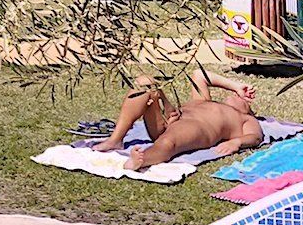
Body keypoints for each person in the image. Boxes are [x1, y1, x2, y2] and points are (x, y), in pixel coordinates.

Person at [94, 67, 263, 170]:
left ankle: (144, 159)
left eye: (246, 101)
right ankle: (116, 139)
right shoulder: (203, 100)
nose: (241, 97)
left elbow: (255, 137)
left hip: (196, 128)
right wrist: (236, 86)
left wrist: (237, 143)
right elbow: (199, 74)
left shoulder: (243, 118)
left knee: (169, 142)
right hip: (170, 118)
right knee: (144, 82)